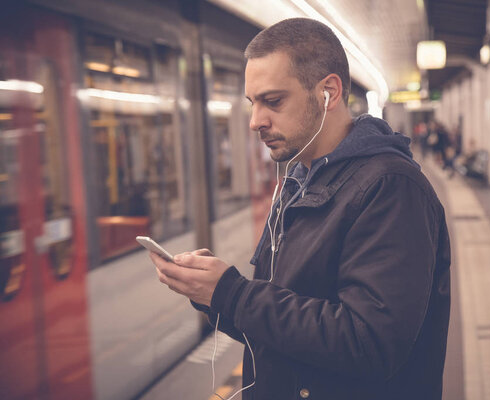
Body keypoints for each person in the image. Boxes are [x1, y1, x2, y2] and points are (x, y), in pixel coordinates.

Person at [150, 18, 451, 399]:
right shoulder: (298, 182)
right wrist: (214, 295)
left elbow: (370, 345)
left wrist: (235, 294)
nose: (256, 121)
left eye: (272, 101)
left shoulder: (391, 189)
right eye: (252, 103)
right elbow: (285, 326)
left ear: (329, 92)